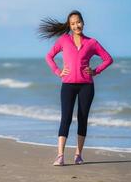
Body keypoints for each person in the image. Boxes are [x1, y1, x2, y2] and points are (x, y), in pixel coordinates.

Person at [38, 10, 113, 166]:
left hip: (86, 86)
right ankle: (60, 156)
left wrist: (95, 71)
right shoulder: (64, 40)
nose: (76, 25)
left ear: (83, 23)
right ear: (70, 26)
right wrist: (58, 72)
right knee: (65, 119)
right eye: (72, 23)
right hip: (68, 85)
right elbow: (48, 56)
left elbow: (108, 59)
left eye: (78, 22)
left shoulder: (92, 42)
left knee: (82, 119)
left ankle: (78, 155)